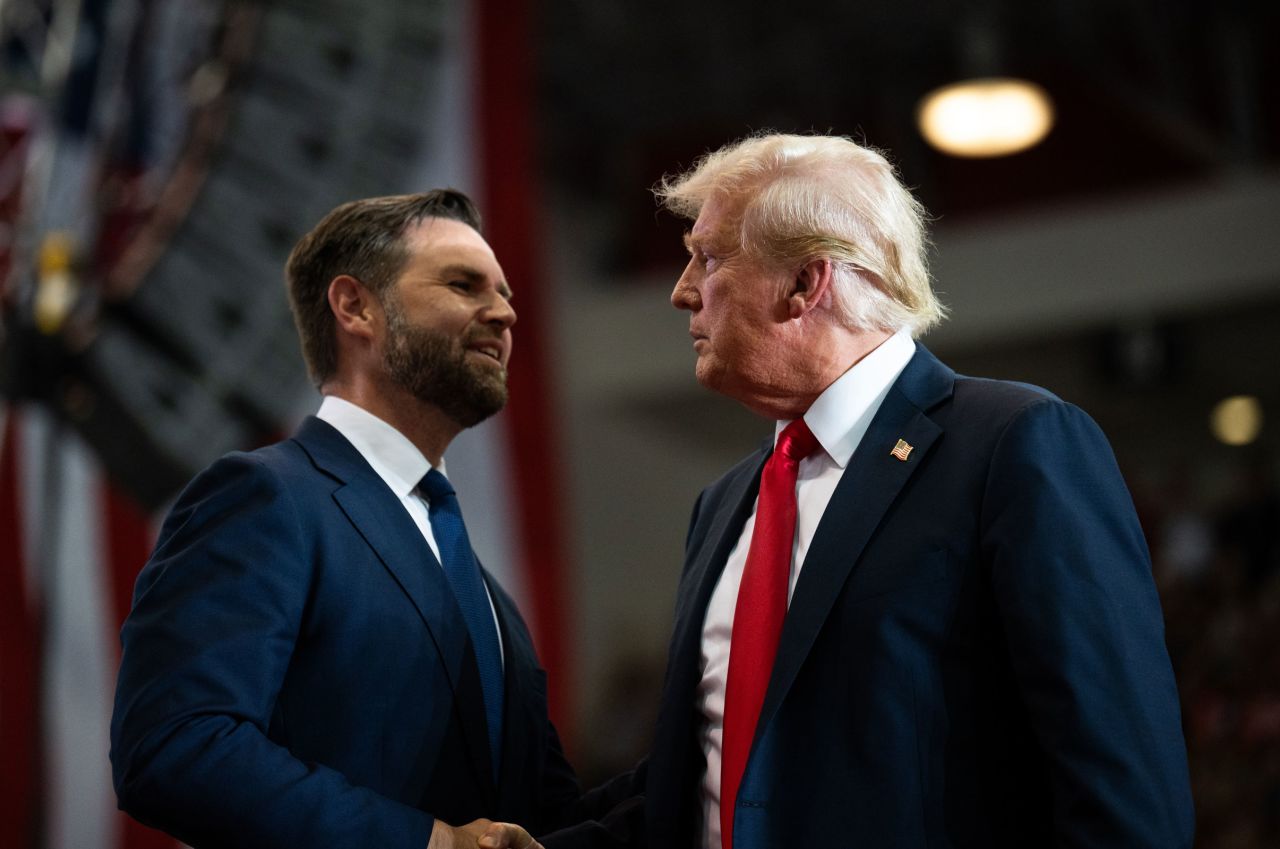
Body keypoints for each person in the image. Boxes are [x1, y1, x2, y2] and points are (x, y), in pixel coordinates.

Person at [576, 134, 1195, 848]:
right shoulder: (722, 505)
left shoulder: (1014, 446)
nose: (682, 288)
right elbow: (710, 782)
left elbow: (1122, 792)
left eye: (708, 257)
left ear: (806, 283)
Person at [111, 190, 571, 849]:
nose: (503, 313)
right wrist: (429, 841)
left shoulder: (484, 591)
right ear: (356, 306)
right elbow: (177, 743)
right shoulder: (265, 499)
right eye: (464, 284)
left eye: (504, 293)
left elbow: (541, 812)